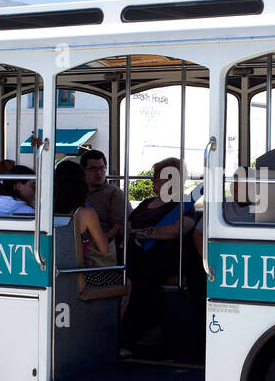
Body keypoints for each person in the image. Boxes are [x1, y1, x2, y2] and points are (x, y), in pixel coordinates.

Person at [122, 157, 198, 350]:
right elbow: (128, 226)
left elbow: (179, 229)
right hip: (136, 250)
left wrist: (146, 234)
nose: (152, 180)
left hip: (167, 253)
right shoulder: (146, 203)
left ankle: (131, 333)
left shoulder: (182, 204)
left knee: (142, 275)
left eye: (156, 176)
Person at [53, 159, 116, 284]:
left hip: (55, 272)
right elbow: (103, 249)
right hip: (78, 275)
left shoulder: (49, 211)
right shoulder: (86, 213)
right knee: (127, 282)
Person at [80, 149, 127, 248]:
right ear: (83, 171)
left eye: (102, 168)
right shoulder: (78, 192)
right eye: (93, 169)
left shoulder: (114, 193)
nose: (99, 173)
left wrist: (97, 242)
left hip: (101, 247)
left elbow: (118, 227)